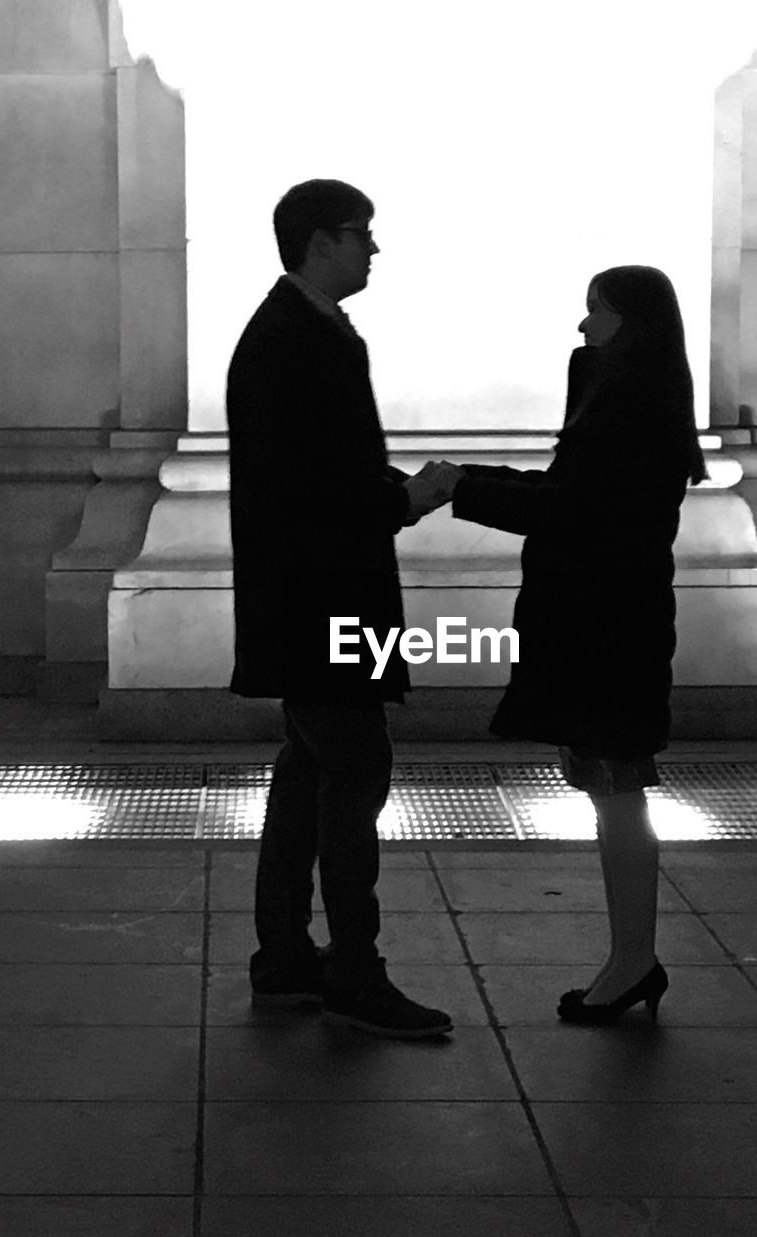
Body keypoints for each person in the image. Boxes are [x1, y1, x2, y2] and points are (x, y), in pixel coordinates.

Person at [429, 265, 707, 1024]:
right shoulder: (632, 395)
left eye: (596, 312)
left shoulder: (629, 401)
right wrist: (468, 479)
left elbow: (570, 510)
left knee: (616, 786)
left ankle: (632, 960)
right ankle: (630, 959)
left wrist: (461, 488)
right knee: (609, 783)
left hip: (608, 623)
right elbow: (570, 494)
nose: (583, 327)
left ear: (630, 321)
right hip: (610, 617)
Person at [225, 178, 454, 1040]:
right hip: (325, 604)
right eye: (362, 235)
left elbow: (317, 468)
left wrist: (400, 493)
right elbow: (322, 484)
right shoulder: (299, 339)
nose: (373, 249)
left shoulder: (293, 330)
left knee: (310, 772)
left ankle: (286, 956)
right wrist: (408, 500)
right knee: (356, 770)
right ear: (319, 242)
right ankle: (355, 970)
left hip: (306, 601)